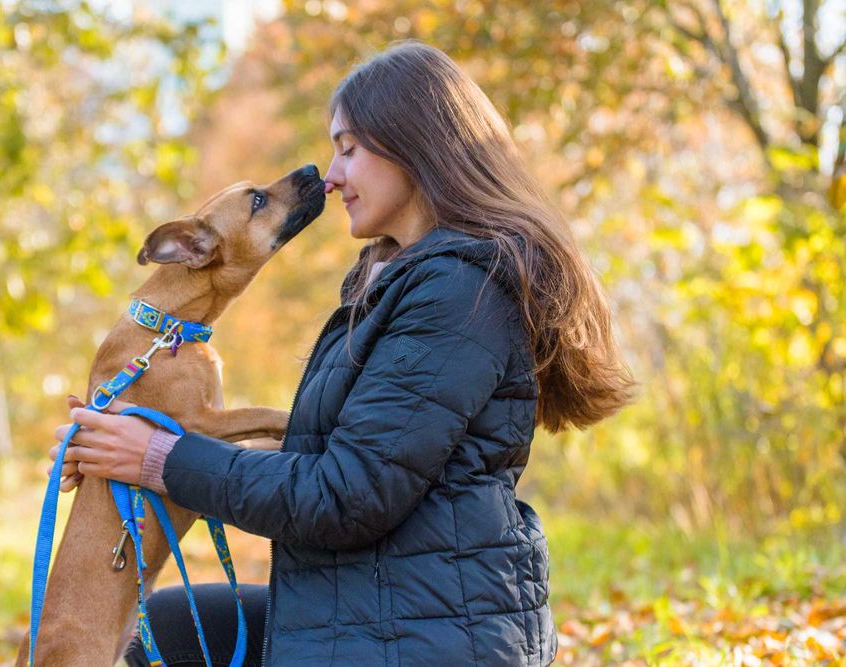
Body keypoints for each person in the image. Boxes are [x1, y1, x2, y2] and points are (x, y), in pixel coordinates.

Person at [51, 40, 636, 666]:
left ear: (414, 146)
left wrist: (161, 456)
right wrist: (122, 457)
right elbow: (333, 457)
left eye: (348, 150)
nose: (329, 176)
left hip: (431, 634)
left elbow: (344, 496)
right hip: (375, 598)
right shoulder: (396, 282)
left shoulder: (459, 294)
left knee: (173, 636)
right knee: (166, 627)